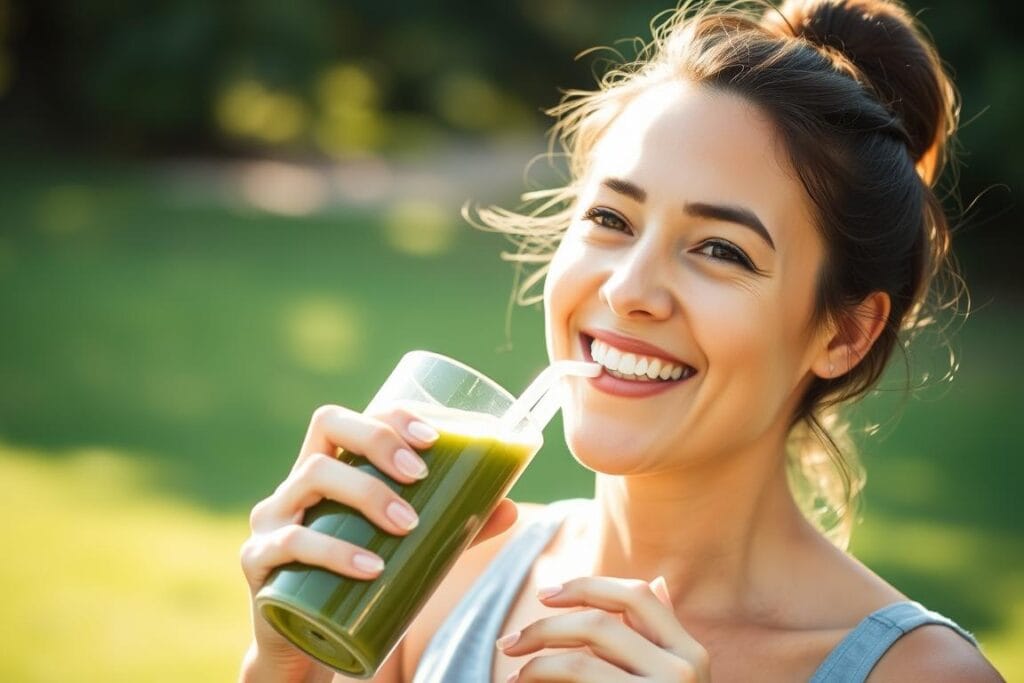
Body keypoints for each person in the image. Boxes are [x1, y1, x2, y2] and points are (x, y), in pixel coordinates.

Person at [239, 0, 1006, 680]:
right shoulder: (433, 584)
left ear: (844, 333)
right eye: (611, 219)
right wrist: (284, 673)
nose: (628, 290)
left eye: (721, 249)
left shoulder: (925, 676)